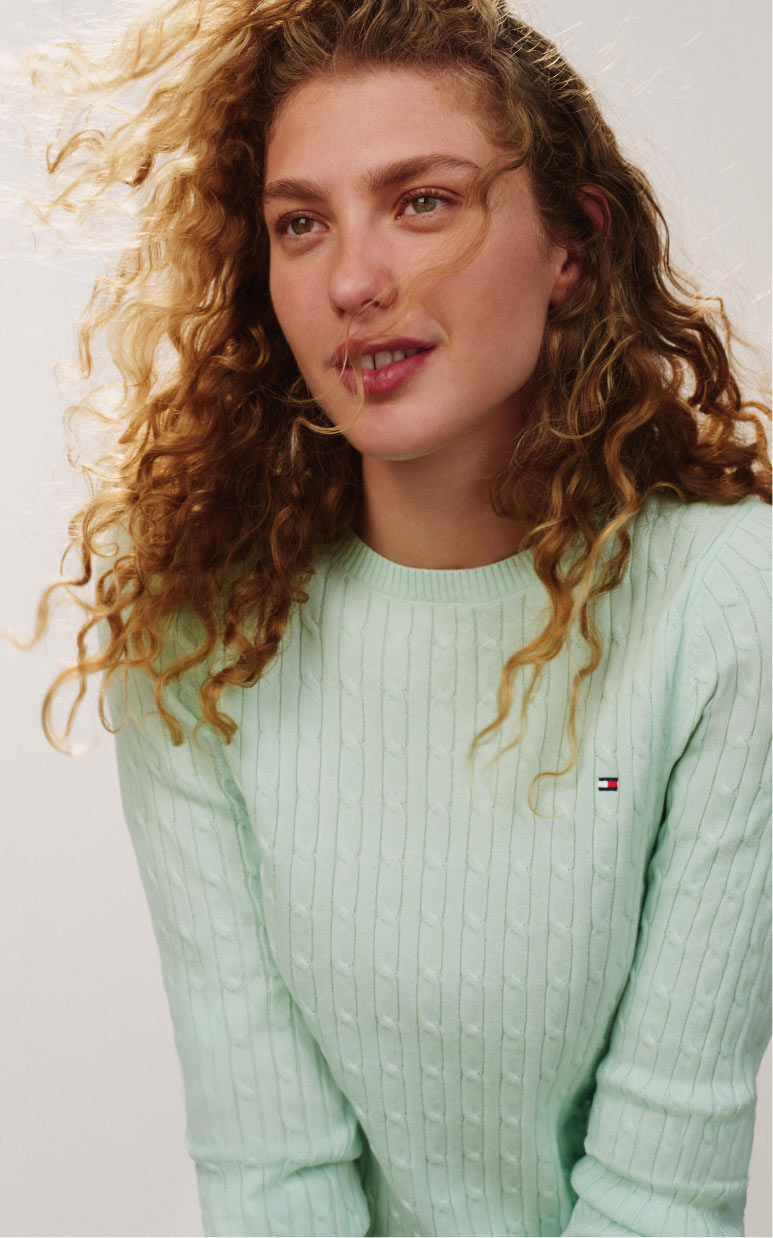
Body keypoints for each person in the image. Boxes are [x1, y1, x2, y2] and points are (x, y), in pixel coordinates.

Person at [7, 0, 771, 1234]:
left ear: (573, 241)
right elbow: (273, 1178)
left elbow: (659, 1192)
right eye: (299, 224)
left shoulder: (727, 609)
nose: (352, 282)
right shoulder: (200, 645)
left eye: (422, 200)